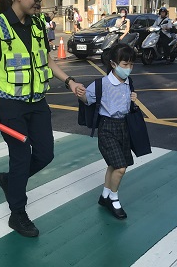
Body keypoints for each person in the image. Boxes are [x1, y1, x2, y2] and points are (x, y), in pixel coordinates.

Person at [0, 0, 84, 238]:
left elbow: (47, 61)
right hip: (8, 105)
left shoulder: (39, 24)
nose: (40, 2)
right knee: (20, 156)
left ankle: (10, 181)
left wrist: (69, 81)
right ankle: (18, 214)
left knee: (45, 154)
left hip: (38, 102)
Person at [75, 43, 138, 220]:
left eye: (131, 65)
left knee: (113, 165)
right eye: (125, 65)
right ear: (113, 64)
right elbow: (87, 99)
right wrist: (79, 92)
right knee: (120, 167)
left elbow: (128, 104)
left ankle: (104, 196)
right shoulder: (101, 84)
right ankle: (113, 199)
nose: (129, 69)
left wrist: (134, 99)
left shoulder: (128, 82)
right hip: (107, 128)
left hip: (123, 126)